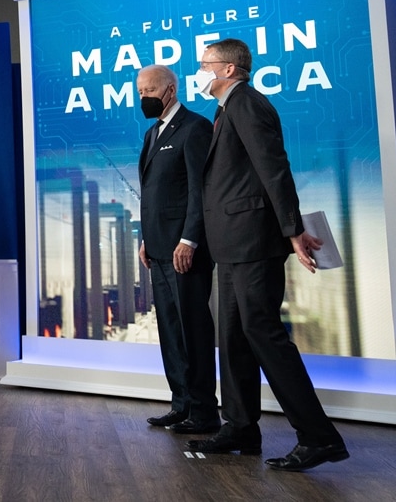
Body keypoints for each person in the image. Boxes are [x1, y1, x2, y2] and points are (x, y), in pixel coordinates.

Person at [187, 38, 349, 472]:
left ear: (228, 69)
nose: (199, 71)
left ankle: (319, 438)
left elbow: (273, 167)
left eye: (204, 63)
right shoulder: (225, 109)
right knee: (233, 337)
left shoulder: (246, 102)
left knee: (263, 334)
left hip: (253, 242)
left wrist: (292, 229)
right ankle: (240, 426)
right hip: (232, 244)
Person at [136, 65, 219, 435]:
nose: (144, 98)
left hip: (185, 251)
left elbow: (200, 191)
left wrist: (189, 239)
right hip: (157, 250)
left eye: (150, 91)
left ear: (170, 90)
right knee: (171, 331)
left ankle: (204, 412)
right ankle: (181, 405)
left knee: (193, 331)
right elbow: (156, 193)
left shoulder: (195, 127)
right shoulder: (152, 133)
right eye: (140, 92)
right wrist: (146, 239)